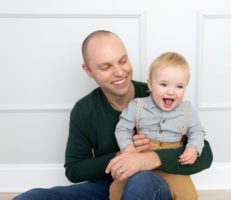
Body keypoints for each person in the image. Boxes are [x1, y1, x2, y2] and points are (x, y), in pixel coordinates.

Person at [14, 30, 213, 200]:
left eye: (123, 60)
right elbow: (74, 170)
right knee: (31, 198)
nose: (119, 72)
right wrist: (122, 156)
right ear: (89, 71)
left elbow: (206, 155)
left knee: (141, 180)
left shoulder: (160, 94)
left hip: (158, 184)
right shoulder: (84, 110)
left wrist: (149, 158)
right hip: (112, 187)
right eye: (106, 66)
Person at [110, 52, 204, 200]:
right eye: (163, 84)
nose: (171, 91)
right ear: (150, 85)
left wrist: (193, 148)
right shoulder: (137, 105)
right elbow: (122, 128)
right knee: (115, 189)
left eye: (179, 86)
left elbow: (197, 132)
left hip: (173, 163)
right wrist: (127, 147)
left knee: (189, 195)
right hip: (139, 158)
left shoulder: (187, 110)